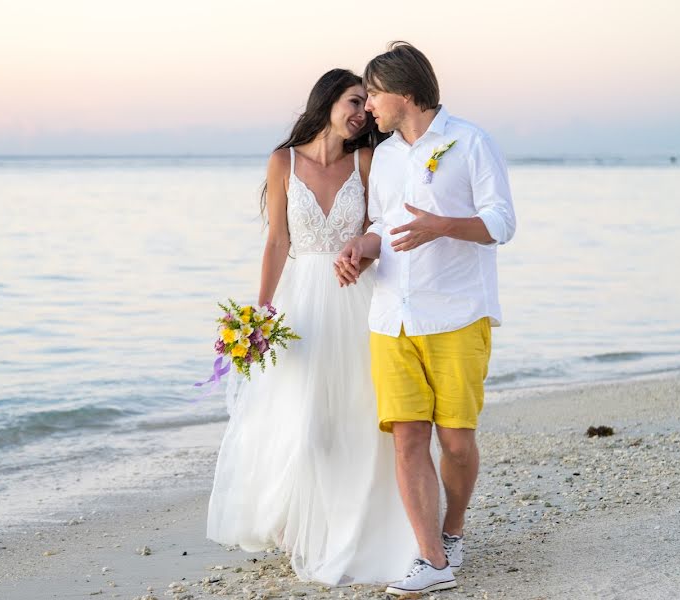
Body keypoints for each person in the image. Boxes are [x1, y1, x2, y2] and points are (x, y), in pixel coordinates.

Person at [206, 68, 417, 585]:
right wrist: (260, 311)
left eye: (367, 106)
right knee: (299, 422)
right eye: (353, 101)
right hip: (300, 304)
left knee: (357, 416)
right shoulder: (283, 161)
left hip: (355, 298)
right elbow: (277, 240)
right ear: (325, 100)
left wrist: (362, 258)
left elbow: (378, 228)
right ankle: (298, 526)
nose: (362, 113)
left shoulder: (366, 160)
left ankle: (357, 529)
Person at [336, 42, 517, 596]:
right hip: (391, 317)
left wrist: (444, 225)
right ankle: (433, 559)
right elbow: (387, 228)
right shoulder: (385, 157)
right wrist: (359, 249)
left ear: (406, 93)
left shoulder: (471, 142)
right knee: (407, 439)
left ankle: (453, 530)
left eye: (374, 96)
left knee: (456, 443)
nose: (368, 108)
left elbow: (502, 223)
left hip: (457, 314)